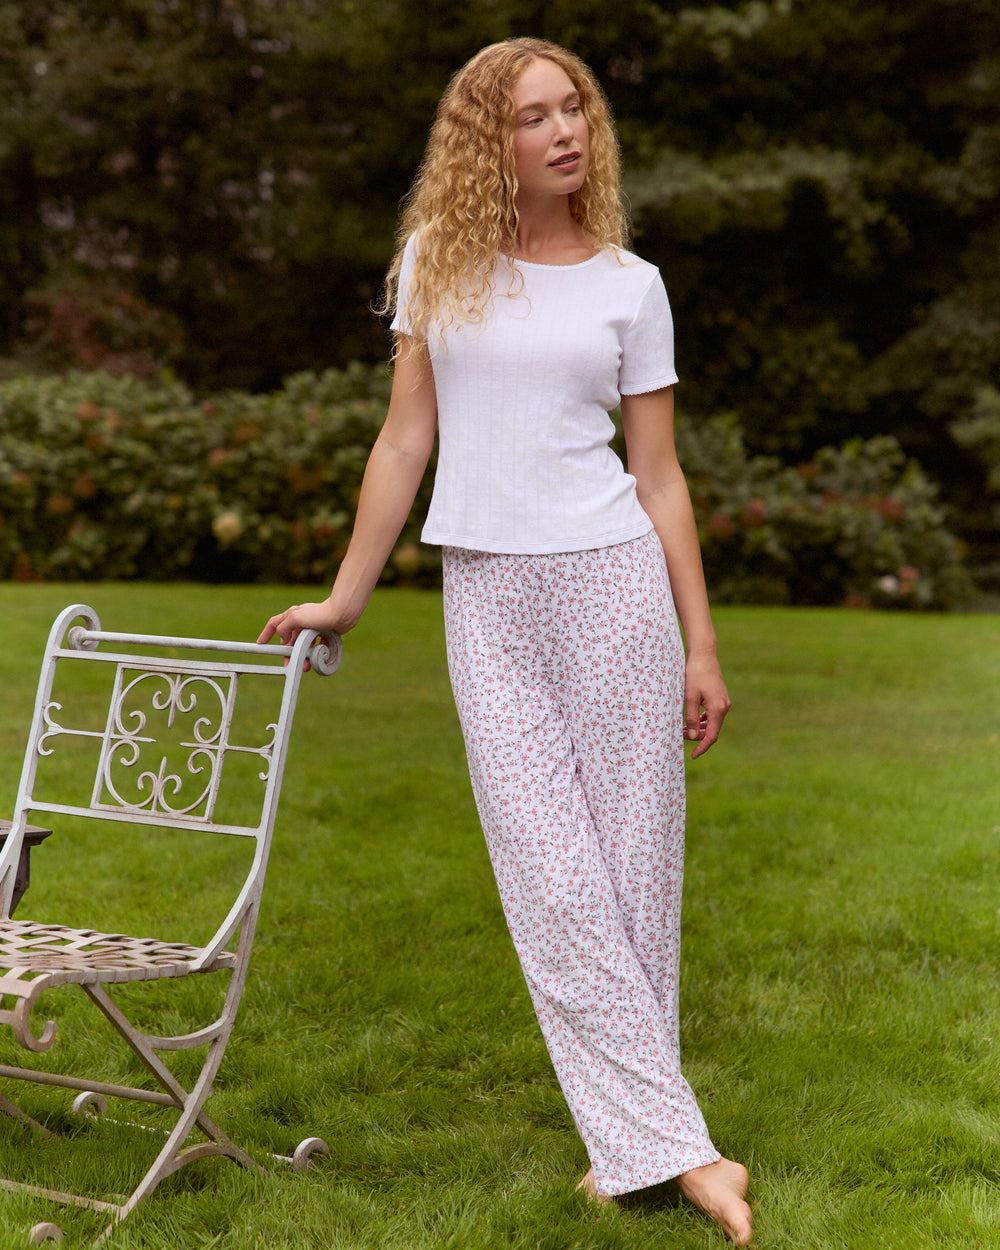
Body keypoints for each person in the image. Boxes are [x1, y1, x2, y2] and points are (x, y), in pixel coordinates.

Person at [258, 36, 753, 1246]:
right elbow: (401, 444)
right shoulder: (439, 263)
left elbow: (659, 477)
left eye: (573, 106)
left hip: (614, 589)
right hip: (488, 596)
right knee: (550, 875)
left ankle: (631, 1148)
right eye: (533, 116)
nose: (565, 130)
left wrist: (700, 646)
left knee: (631, 873)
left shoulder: (631, 286)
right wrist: (347, 596)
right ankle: (685, 1150)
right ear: (491, 141)